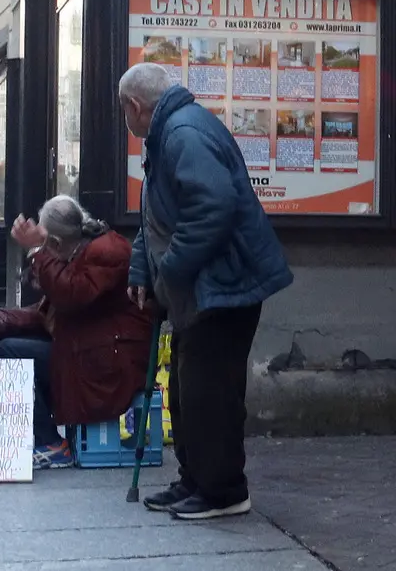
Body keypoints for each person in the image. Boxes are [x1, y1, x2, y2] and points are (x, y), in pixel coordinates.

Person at [119, 62, 292, 520]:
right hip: (204, 289)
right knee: (186, 390)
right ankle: (195, 479)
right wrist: (142, 269)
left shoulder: (182, 135)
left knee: (209, 394)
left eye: (124, 111)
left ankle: (224, 491)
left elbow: (212, 207)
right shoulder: (169, 134)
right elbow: (156, 218)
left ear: (134, 107)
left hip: (223, 287)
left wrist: (170, 272)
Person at [0, 195, 155, 470]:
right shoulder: (82, 252)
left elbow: (69, 296)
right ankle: (46, 438)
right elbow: (46, 312)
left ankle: (51, 444)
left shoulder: (106, 252)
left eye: (47, 246)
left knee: (10, 351)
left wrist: (37, 251)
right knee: (9, 345)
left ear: (55, 243)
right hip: (92, 348)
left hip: (111, 360)